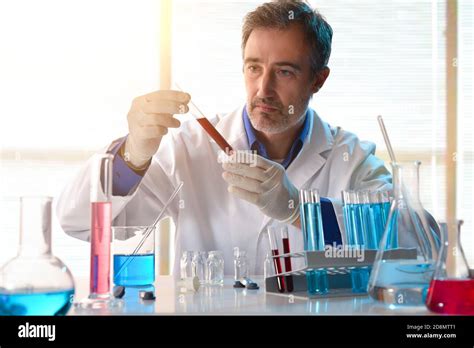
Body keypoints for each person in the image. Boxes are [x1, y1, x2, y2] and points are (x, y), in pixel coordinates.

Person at [57, 1, 391, 276]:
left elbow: (410, 244)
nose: (264, 89)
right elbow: (80, 223)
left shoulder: (352, 158)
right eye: (254, 67)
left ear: (318, 79)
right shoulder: (189, 150)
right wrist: (132, 155)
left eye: (285, 71)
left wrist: (299, 210)